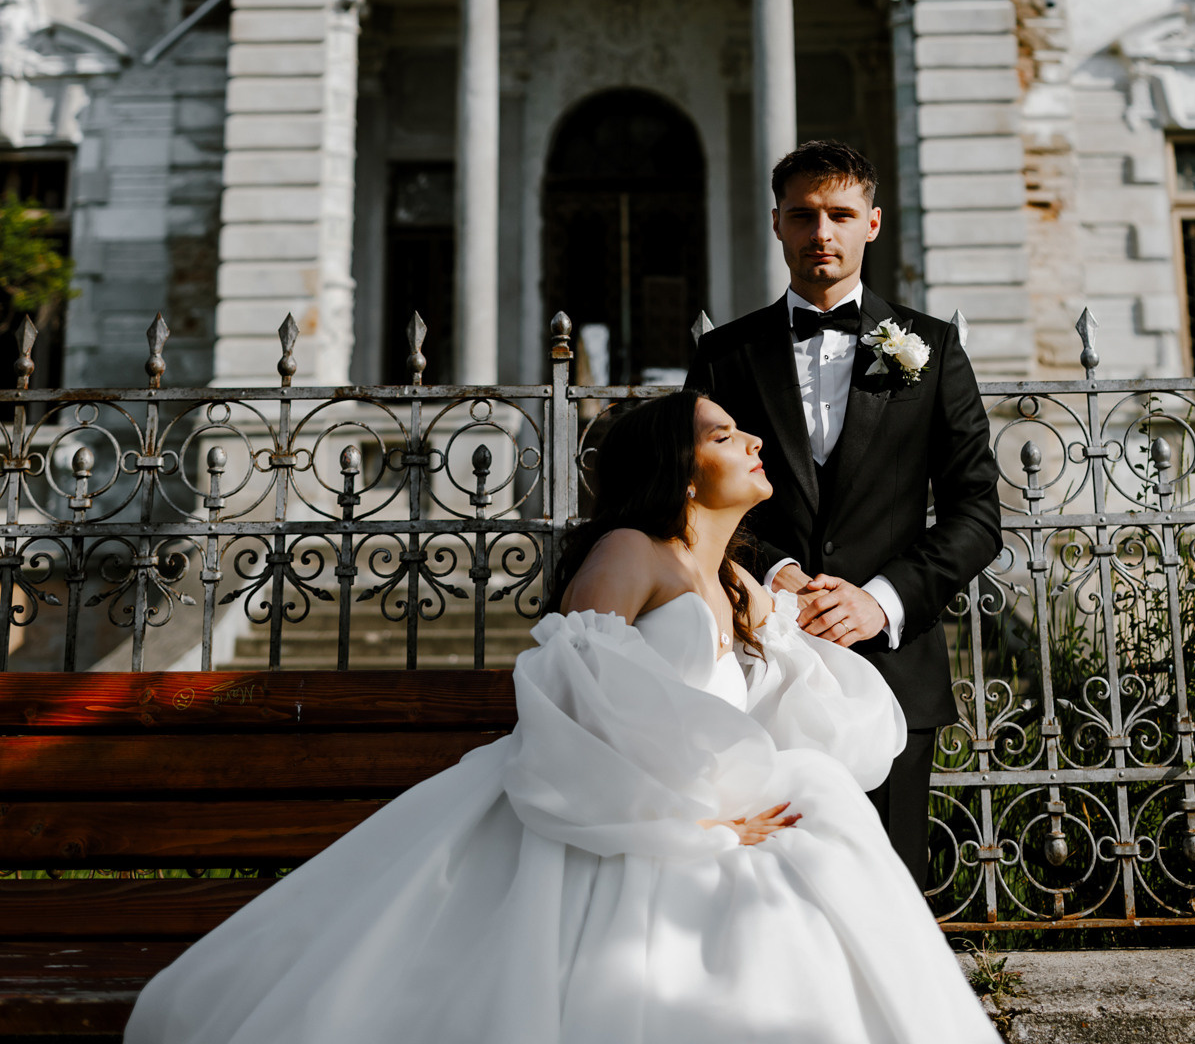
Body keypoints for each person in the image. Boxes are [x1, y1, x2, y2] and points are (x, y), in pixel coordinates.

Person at [126, 387, 996, 1044]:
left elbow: (803, 690)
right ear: (680, 469)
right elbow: (573, 688)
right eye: (725, 435)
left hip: (708, 807)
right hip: (613, 805)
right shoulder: (631, 551)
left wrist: (808, 610)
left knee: (825, 834)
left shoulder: (736, 581)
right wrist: (688, 814)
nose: (755, 441)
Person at [686, 137, 1002, 892]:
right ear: (776, 223)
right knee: (766, 889)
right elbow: (694, 500)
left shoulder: (932, 348)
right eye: (802, 215)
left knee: (887, 891)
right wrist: (777, 576)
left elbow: (977, 513)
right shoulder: (725, 356)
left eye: (839, 214)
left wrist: (880, 600)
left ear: (873, 223)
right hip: (761, 661)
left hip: (892, 668)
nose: (820, 232)